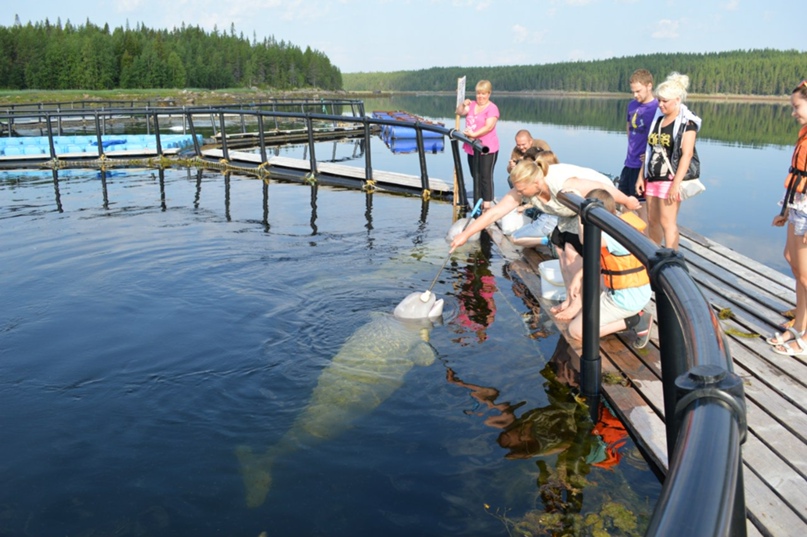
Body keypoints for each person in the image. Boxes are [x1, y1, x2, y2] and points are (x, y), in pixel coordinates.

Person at [450, 158, 641, 322]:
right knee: (561, 251)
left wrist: (627, 201)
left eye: (521, 189)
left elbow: (602, 188)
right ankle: (570, 299)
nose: (519, 193)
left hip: (593, 202)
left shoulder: (563, 183)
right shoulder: (525, 188)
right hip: (567, 214)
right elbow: (495, 212)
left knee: (573, 253)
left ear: (536, 182)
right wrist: (465, 234)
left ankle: (579, 303)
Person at [565, 189, 653, 349]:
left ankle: (636, 320)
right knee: (584, 314)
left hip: (626, 298)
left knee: (576, 331)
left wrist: (581, 212)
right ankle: (624, 316)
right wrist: (577, 277)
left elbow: (586, 239)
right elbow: (600, 262)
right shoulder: (618, 223)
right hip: (632, 290)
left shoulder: (614, 235)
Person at [636, 72, 701, 250]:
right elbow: (650, 150)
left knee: (667, 222)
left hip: (670, 179)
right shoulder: (658, 120)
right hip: (652, 177)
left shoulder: (687, 124)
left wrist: (675, 184)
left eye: (665, 101)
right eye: (659, 100)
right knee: (652, 220)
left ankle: (672, 257)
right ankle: (654, 253)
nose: (660, 104)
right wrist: (641, 176)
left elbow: (687, 154)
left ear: (677, 100)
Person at [769, 80, 807, 356]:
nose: (793, 113)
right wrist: (785, 210)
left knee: (806, 274)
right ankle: (800, 324)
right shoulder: (804, 134)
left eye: (797, 107)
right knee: (793, 262)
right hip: (798, 206)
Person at [619, 69, 657, 225]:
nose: (635, 95)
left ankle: (643, 239)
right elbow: (629, 126)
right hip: (629, 163)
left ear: (649, 86)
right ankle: (625, 237)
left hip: (643, 167)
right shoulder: (632, 105)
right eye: (633, 91)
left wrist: (651, 154)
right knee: (624, 203)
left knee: (641, 208)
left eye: (638, 91)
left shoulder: (657, 108)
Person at [456, 80, 500, 211]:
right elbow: (459, 112)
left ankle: (487, 205)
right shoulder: (472, 105)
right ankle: (478, 199)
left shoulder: (492, 108)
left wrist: (473, 134)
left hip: (487, 148)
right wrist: (463, 104)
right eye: (478, 93)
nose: (480, 96)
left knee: (485, 176)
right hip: (471, 147)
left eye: (483, 94)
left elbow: (489, 127)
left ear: (489, 94)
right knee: (475, 174)